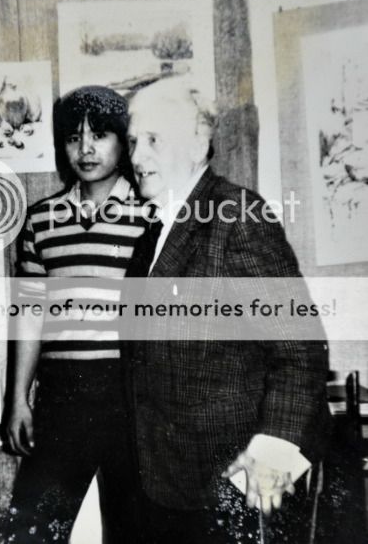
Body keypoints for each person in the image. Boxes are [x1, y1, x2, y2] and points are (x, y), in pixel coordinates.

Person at [124, 74, 331, 543]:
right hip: (173, 483)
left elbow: (300, 349)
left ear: (199, 142)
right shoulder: (154, 235)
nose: (136, 157)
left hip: (240, 485)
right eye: (134, 141)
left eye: (154, 139)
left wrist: (274, 450)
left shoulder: (236, 218)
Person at [0, 86, 148, 543]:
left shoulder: (152, 215)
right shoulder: (41, 221)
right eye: (72, 137)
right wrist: (18, 399)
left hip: (133, 395)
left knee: (134, 529)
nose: (85, 148)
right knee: (34, 527)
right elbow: (29, 314)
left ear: (123, 140)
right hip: (62, 397)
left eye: (99, 135)